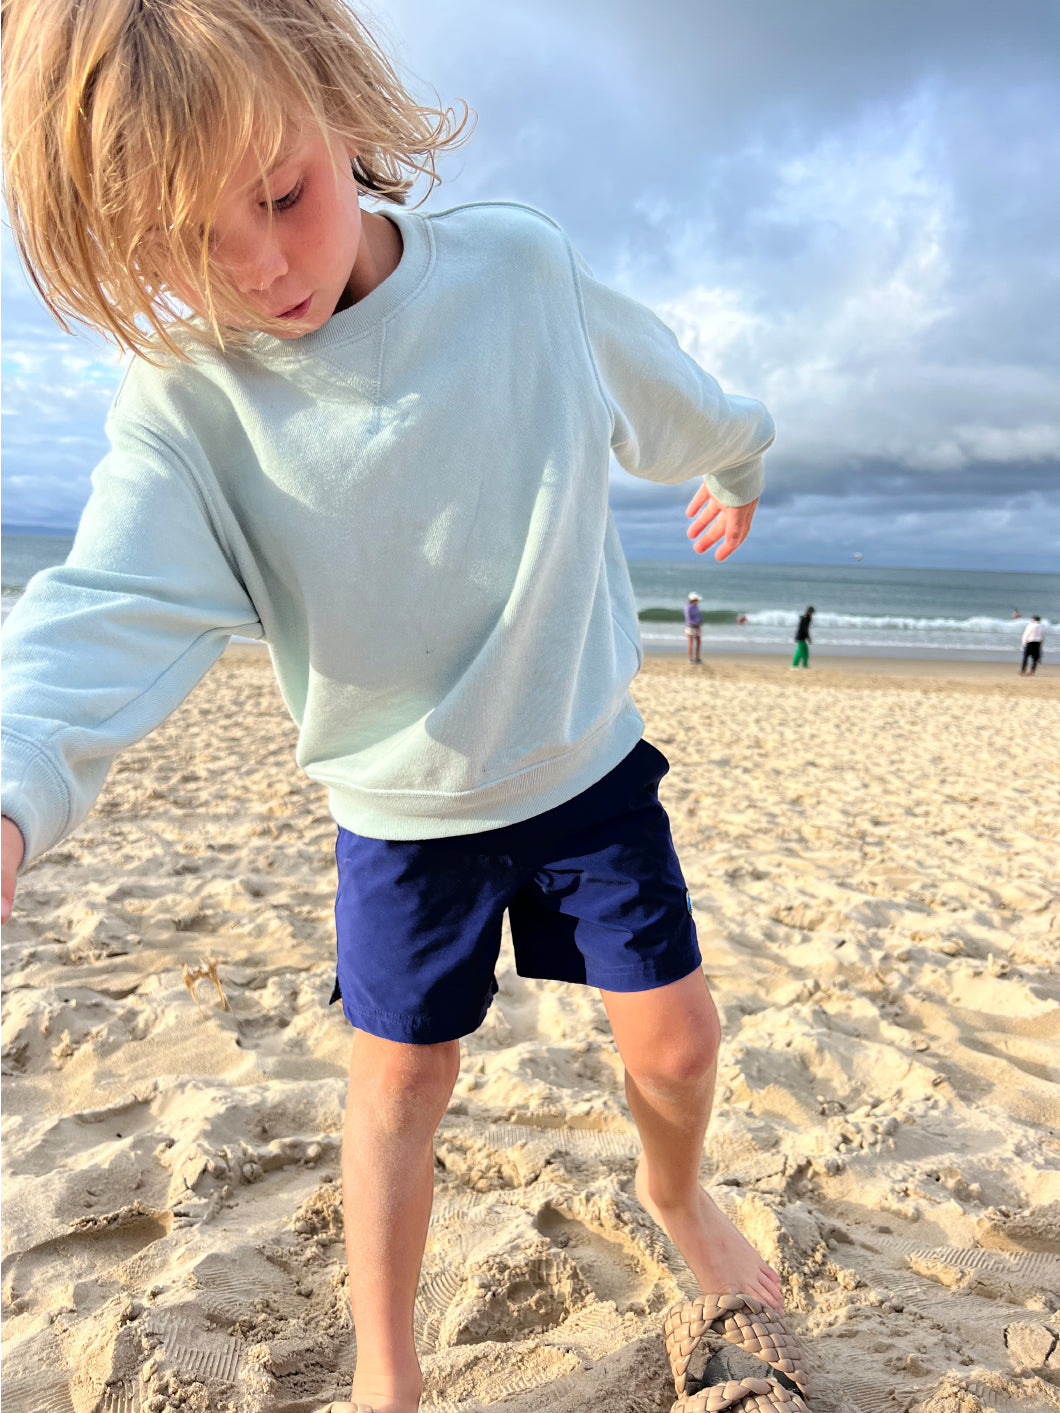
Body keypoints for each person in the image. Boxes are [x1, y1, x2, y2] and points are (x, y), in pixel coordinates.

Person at [0, 4, 787, 1410]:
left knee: (679, 1038)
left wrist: (736, 454)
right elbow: (102, 603)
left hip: (582, 766)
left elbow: (660, 386)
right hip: (398, 809)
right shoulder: (191, 404)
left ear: (337, 107)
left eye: (280, 196)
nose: (258, 268)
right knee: (401, 1082)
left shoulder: (517, 272)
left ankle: (679, 1196)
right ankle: (387, 1366)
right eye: (187, 243)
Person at [685, 592, 703, 664]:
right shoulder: (688, 608)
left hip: (697, 626)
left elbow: (698, 615)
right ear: (693, 600)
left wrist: (701, 621)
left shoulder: (696, 606)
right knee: (691, 642)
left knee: (698, 642)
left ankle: (697, 658)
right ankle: (690, 658)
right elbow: (689, 618)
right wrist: (695, 624)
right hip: (691, 627)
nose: (698, 601)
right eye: (696, 600)